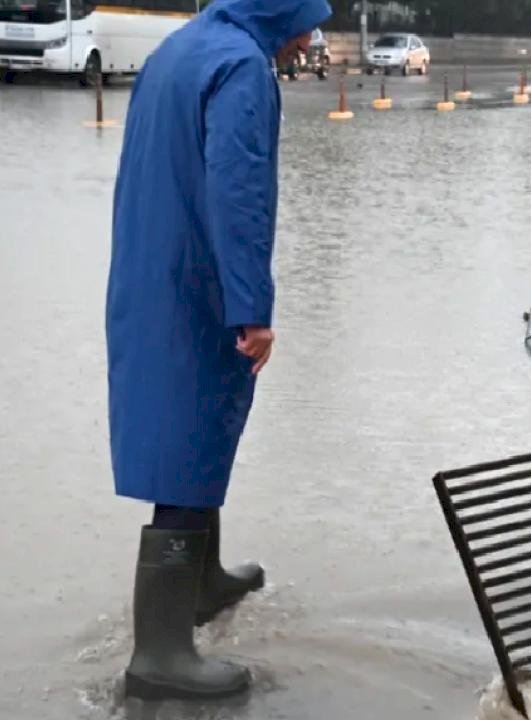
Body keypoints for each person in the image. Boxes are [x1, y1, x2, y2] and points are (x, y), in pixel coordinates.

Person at [106, 0, 331, 700]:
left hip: (151, 269)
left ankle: (203, 581)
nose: (308, 39)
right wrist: (251, 308)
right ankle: (160, 652)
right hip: (196, 285)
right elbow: (240, 193)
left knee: (194, 434)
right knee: (185, 443)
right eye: (309, 20)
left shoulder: (183, 48)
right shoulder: (241, 68)